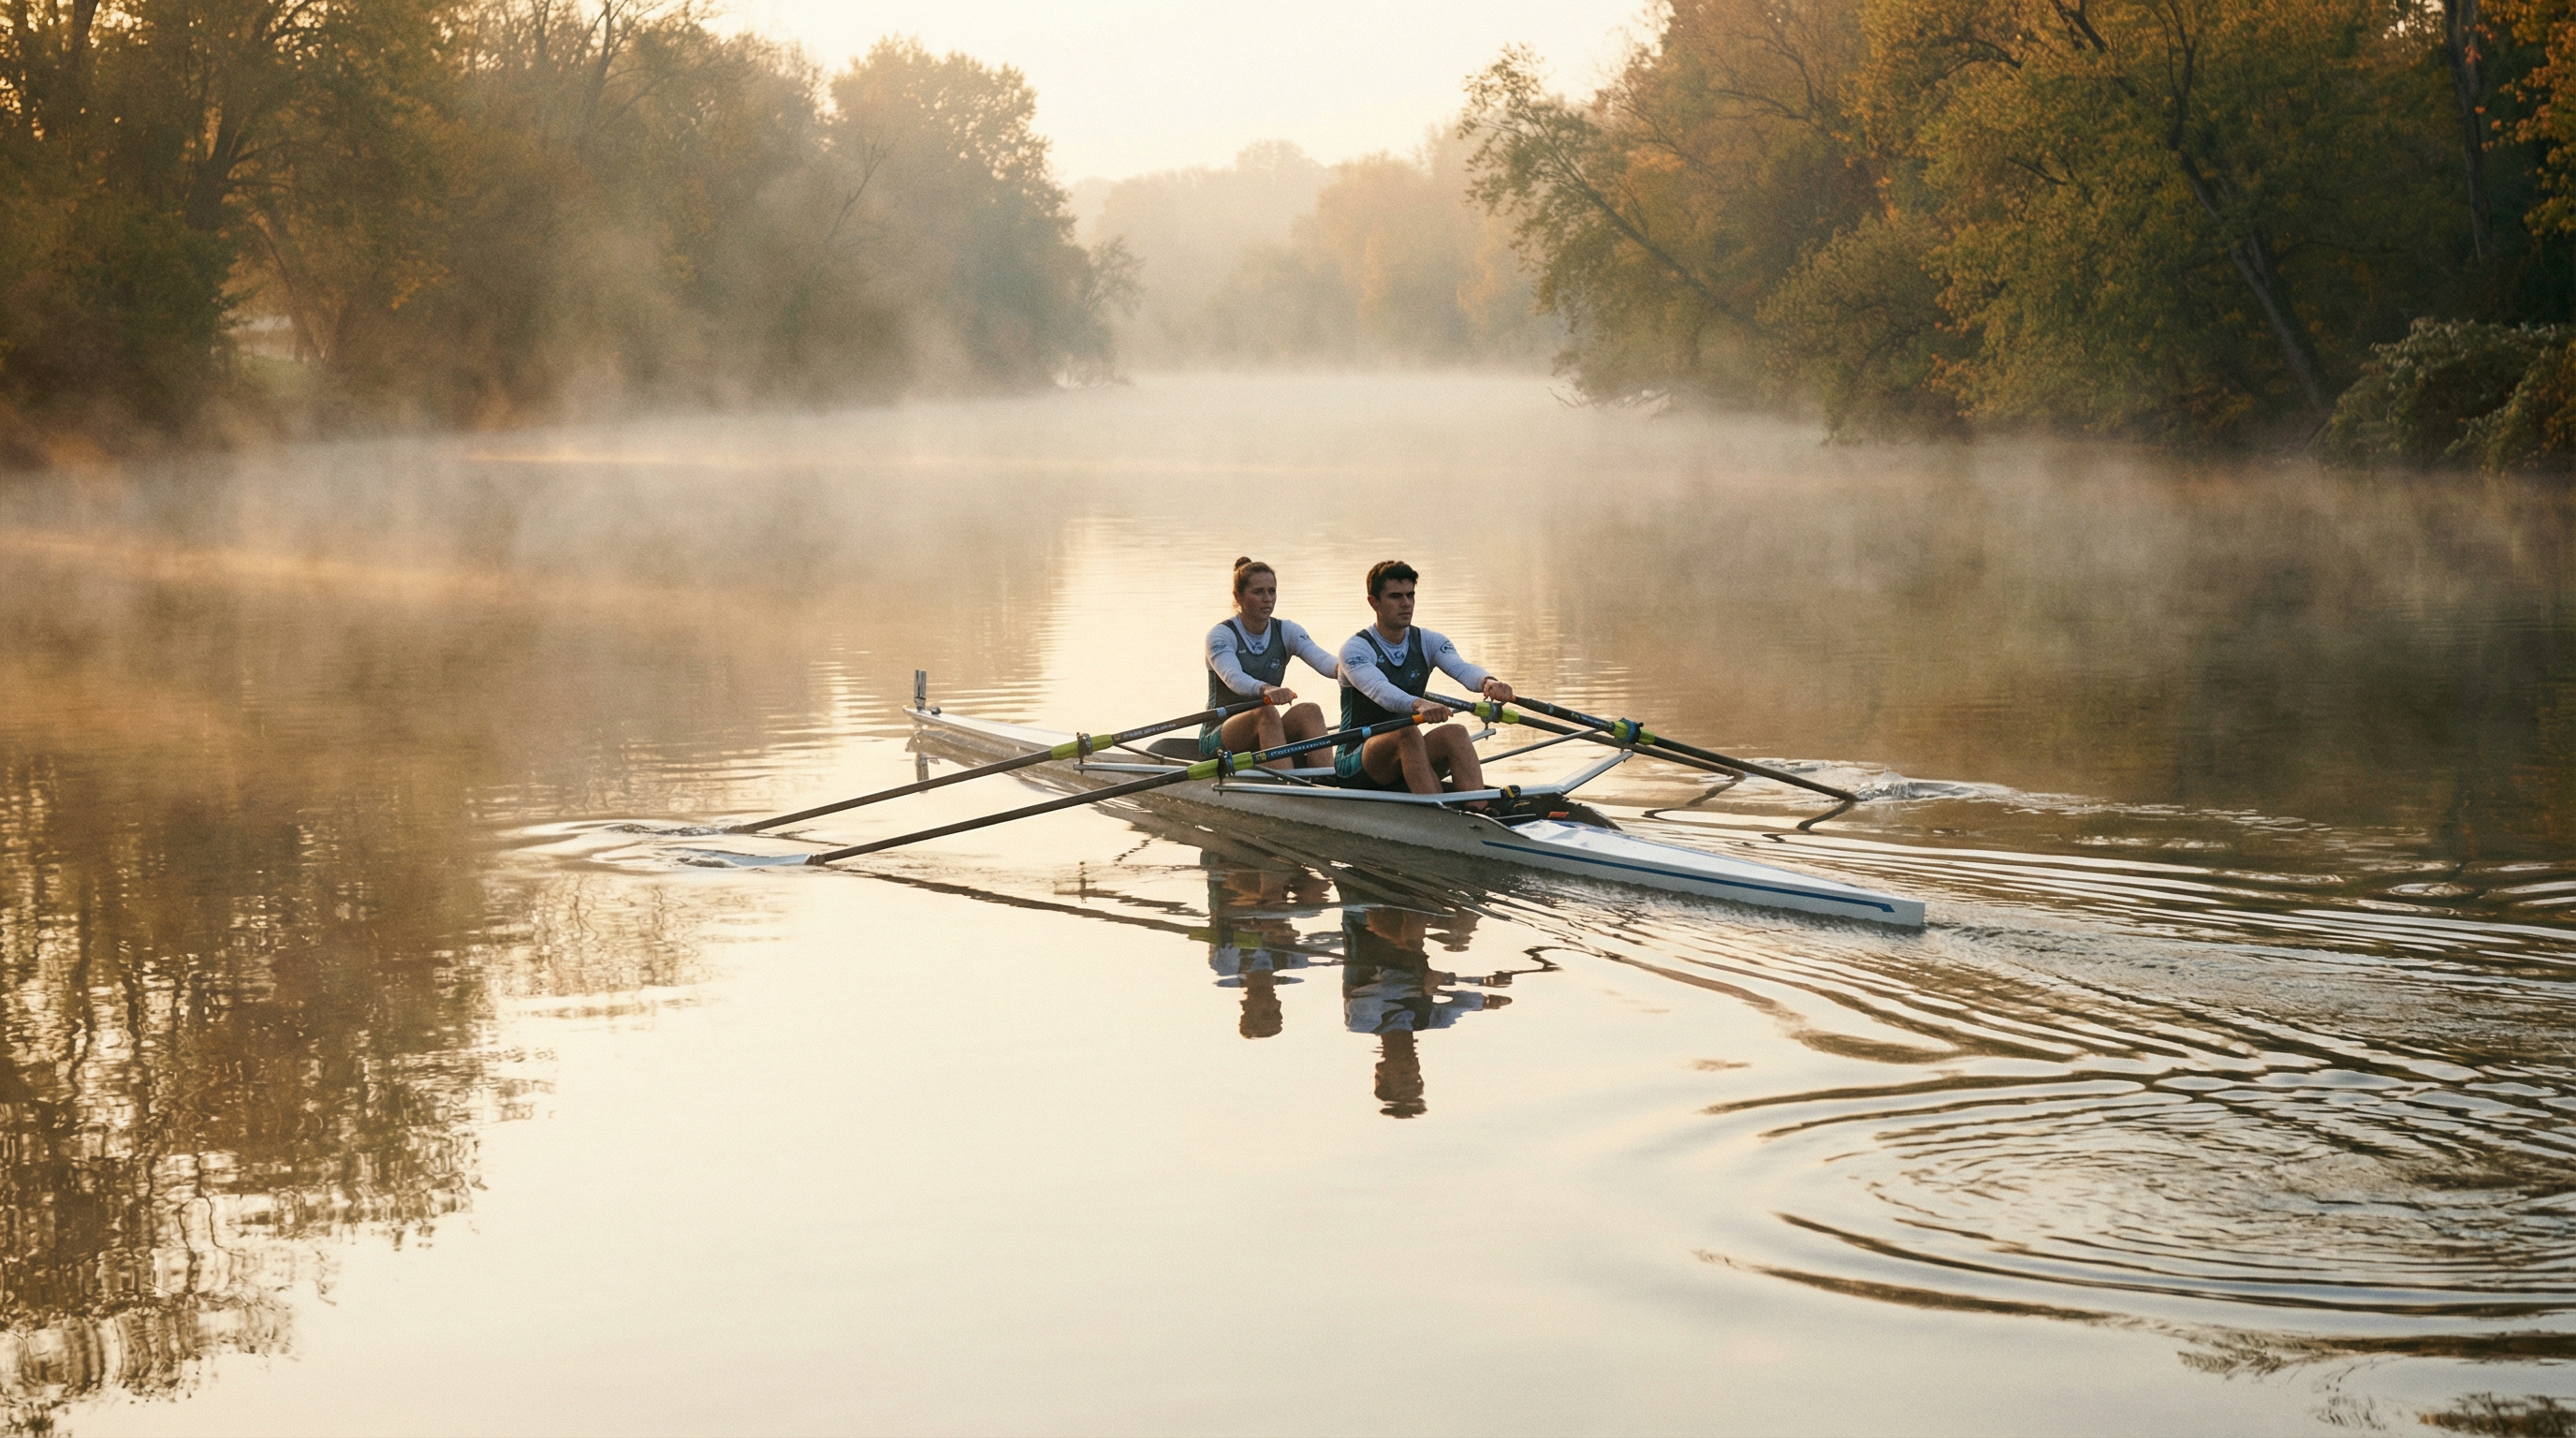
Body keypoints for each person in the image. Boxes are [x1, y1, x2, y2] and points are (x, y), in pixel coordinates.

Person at [1335, 559, 1515, 800]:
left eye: (1410, 595)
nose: (1406, 603)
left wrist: (1488, 682)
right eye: (1396, 596)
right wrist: (1419, 704)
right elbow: (1379, 689)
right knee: (1407, 733)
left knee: (1456, 733)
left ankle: (1479, 808)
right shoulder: (1355, 649)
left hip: (1409, 754)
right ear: (1374, 602)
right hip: (1357, 759)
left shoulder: (1429, 641)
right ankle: (1439, 813)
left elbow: (1461, 667)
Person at [1205, 557, 1340, 770]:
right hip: (1221, 733)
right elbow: (1233, 677)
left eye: (1272, 591)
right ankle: (1286, 786)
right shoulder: (1221, 635)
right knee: (1266, 713)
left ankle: (1326, 779)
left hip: (1269, 728)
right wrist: (1267, 688)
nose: (1267, 599)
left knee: (1310, 711)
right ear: (1238, 596)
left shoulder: (1287, 630)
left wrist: (1356, 671)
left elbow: (1324, 661)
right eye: (1258, 592)